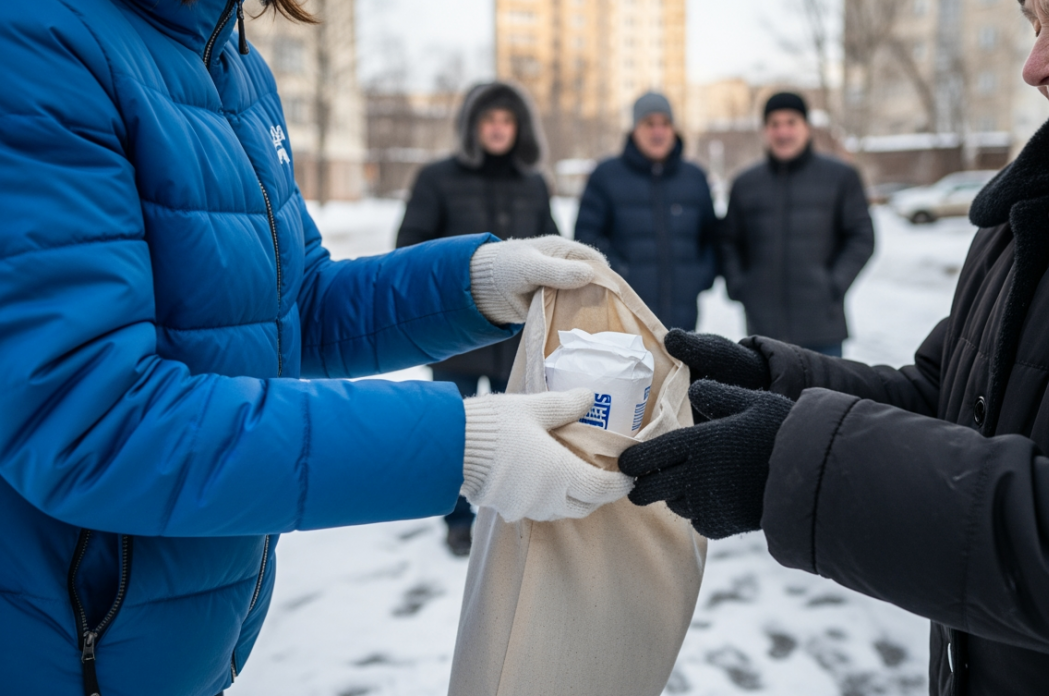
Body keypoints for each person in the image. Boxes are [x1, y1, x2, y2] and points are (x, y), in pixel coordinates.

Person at [619, 0, 1049, 694]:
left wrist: (789, 463)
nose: (1035, 66)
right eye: (1036, 23)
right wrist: (774, 385)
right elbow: (948, 401)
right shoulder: (1045, 204)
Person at [0, 2, 631, 695]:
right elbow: (88, 420)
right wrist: (458, 444)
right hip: (60, 656)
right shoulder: (39, 42)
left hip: (173, 645)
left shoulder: (236, 69)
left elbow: (295, 304)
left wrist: (474, 284)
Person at [396, 81, 558, 556]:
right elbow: (410, 249)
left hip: (517, 337)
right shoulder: (437, 179)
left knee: (519, 428)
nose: (497, 129)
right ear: (472, 127)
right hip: (455, 335)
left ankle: (509, 514)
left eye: (506, 120)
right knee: (457, 432)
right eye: (488, 120)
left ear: (520, 128)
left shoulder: (534, 183)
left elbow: (550, 243)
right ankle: (459, 521)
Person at [719, 91, 876, 357]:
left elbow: (862, 236)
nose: (783, 132)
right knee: (766, 399)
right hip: (762, 333)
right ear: (764, 131)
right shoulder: (745, 184)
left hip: (822, 330)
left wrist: (833, 284)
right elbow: (728, 240)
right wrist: (740, 286)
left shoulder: (840, 177)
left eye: (791, 122)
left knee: (826, 399)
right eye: (774, 124)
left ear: (806, 127)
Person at [575, 92, 719, 330]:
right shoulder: (606, 176)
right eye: (649, 124)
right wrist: (620, 276)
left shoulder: (694, 178)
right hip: (623, 319)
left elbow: (711, 238)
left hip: (683, 323)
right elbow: (586, 239)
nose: (658, 132)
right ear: (634, 129)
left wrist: (699, 276)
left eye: (665, 123)